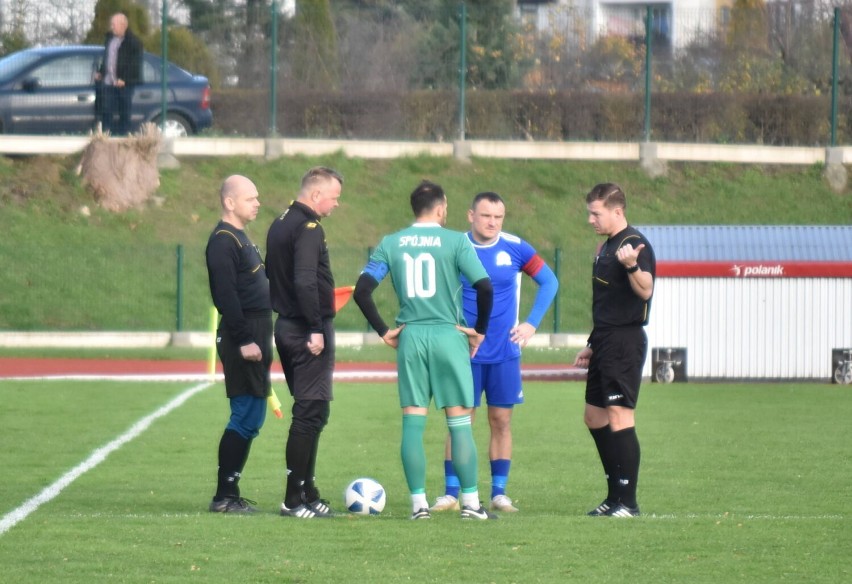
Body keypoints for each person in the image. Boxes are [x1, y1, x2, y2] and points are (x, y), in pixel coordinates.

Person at [353, 180, 497, 521]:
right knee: (460, 424)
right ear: (442, 206)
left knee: (412, 424)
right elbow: (484, 286)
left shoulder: (392, 242)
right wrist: (479, 332)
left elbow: (362, 291)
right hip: (448, 336)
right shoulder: (456, 241)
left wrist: (384, 331)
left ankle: (419, 506)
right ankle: (472, 505)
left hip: (412, 338)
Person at [431, 191, 559, 514]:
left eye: (498, 217)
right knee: (461, 422)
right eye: (486, 216)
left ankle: (499, 493)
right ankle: (450, 493)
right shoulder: (453, 246)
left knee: (500, 420)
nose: (492, 223)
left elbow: (549, 282)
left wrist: (530, 324)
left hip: (505, 351)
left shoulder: (515, 247)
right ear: (471, 215)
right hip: (464, 351)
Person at [572, 183, 656, 518]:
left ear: (617, 211)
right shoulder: (605, 246)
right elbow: (605, 303)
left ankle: (629, 502)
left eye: (596, 212)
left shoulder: (634, 244)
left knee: (620, 416)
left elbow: (646, 290)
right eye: (590, 212)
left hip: (625, 341)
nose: (591, 218)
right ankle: (613, 496)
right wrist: (592, 344)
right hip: (605, 341)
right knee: (594, 417)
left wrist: (632, 267)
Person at [266, 166, 344, 519]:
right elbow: (304, 280)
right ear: (315, 195)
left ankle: (307, 491)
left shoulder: (280, 221)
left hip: (286, 326)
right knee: (309, 413)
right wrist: (314, 326)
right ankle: (293, 499)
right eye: (334, 197)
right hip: (305, 329)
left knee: (314, 411)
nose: (336, 204)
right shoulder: (308, 227)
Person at [205, 175, 272, 513]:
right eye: (250, 198)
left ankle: (229, 491)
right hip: (242, 335)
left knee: (254, 414)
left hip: (257, 330)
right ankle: (224, 495)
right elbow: (225, 295)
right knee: (245, 414)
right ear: (230, 202)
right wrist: (245, 339)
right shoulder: (223, 240)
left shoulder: (241, 238)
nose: (257, 203)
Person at [95, 12, 142, 135]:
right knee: (106, 111)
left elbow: (135, 65)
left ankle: (123, 137)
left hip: (124, 85)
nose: (112, 27)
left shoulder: (133, 42)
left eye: (114, 24)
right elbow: (107, 58)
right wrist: (101, 72)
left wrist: (124, 79)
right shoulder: (109, 39)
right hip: (108, 83)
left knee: (124, 112)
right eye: (111, 24)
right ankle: (106, 136)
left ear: (123, 25)